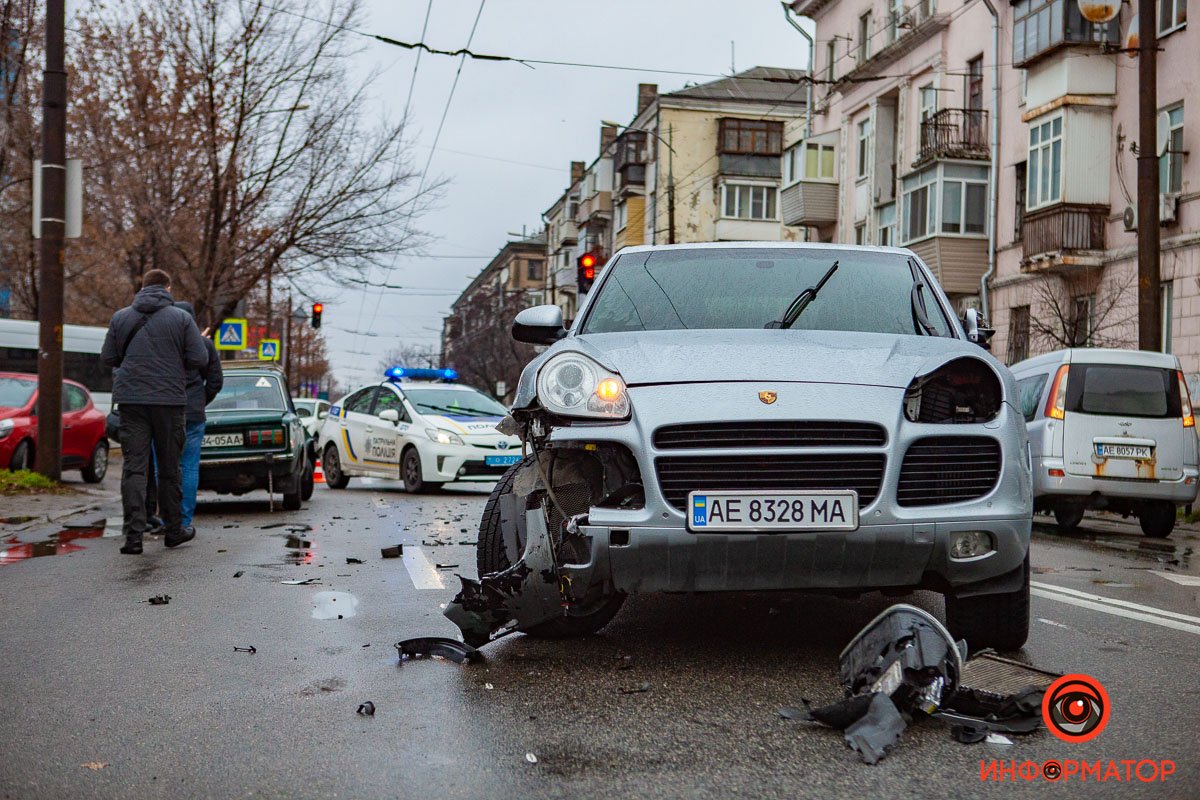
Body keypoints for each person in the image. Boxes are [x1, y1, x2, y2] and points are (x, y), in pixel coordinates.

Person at [101, 270, 208, 555]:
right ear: (168, 288)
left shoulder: (120, 317)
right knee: (170, 468)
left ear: (142, 287)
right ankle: (174, 531)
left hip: (131, 402)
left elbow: (109, 357)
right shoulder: (181, 319)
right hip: (169, 402)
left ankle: (133, 537)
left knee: (134, 468)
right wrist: (173, 363)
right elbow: (199, 358)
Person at [174, 301, 223, 535]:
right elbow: (215, 381)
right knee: (190, 467)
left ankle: (165, 516)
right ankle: (184, 520)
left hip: (167, 411)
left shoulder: (166, 343)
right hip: (193, 413)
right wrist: (201, 400)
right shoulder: (204, 345)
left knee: (163, 466)